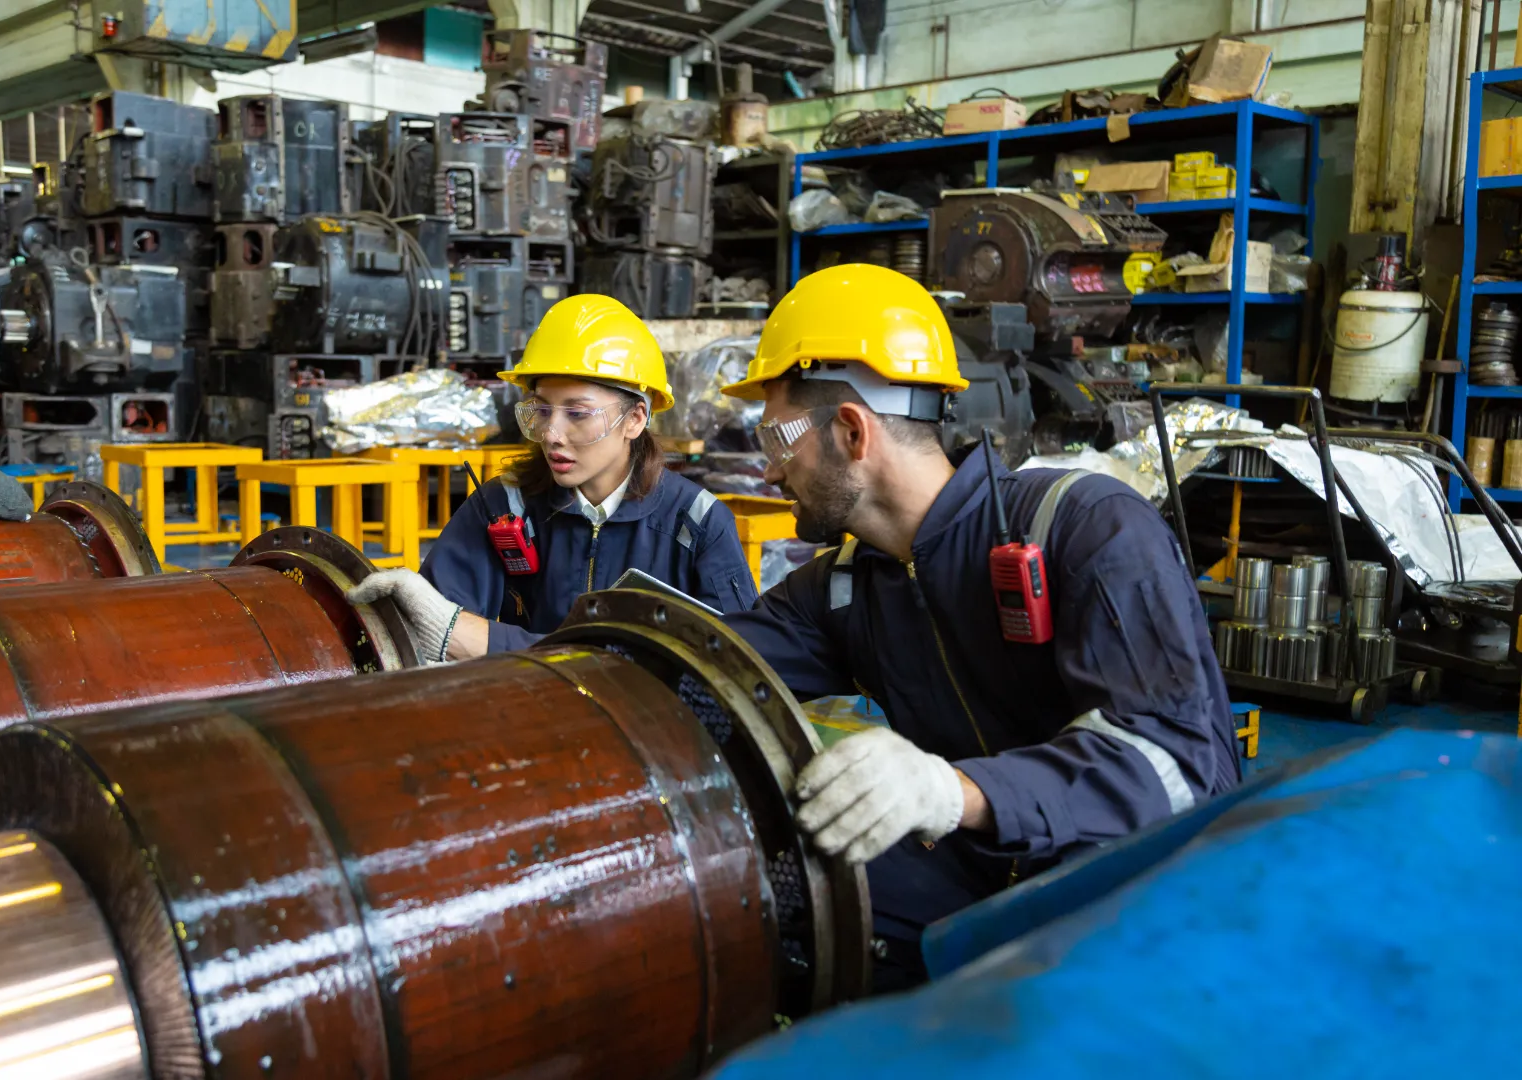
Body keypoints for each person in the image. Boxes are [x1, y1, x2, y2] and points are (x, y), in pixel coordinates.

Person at [714, 264, 1240, 989]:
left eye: (777, 442)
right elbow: (709, 662)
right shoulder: (845, 585)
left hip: (1143, 894)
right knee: (774, 885)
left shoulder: (1086, 527)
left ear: (851, 430)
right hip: (985, 867)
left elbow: (1169, 770)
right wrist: (530, 664)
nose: (770, 473)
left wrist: (949, 791)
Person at [348, 294, 756, 661]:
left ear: (634, 419)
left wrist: (467, 636)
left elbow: (731, 671)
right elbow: (430, 631)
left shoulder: (696, 525)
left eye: (577, 414)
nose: (552, 434)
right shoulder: (504, 507)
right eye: (541, 411)